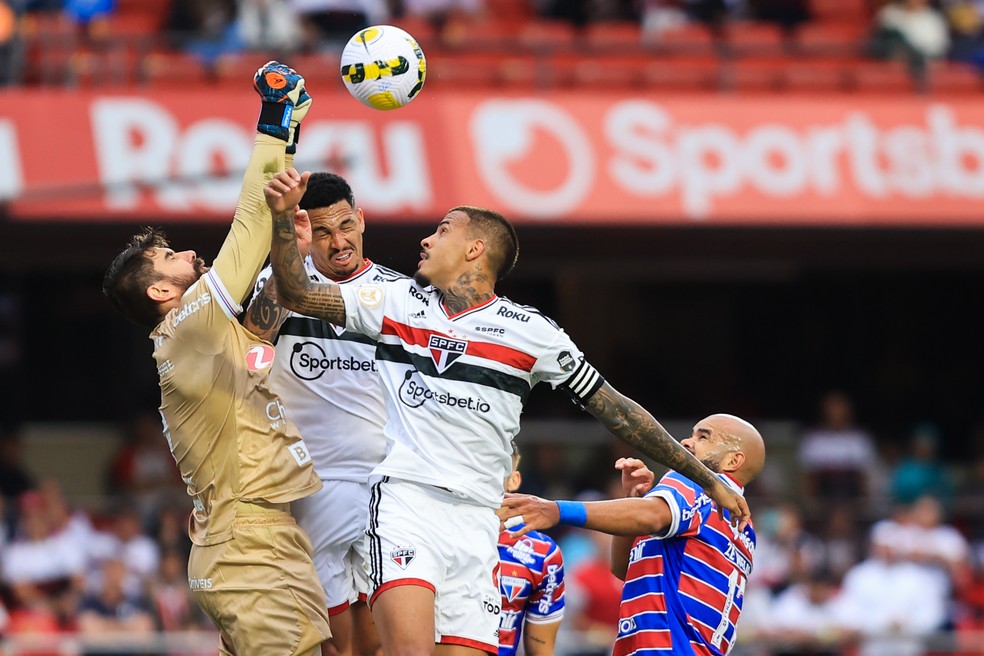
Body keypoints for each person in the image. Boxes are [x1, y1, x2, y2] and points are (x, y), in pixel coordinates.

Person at [263, 170, 751, 656]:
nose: (427, 240)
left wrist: (704, 478)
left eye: (443, 230)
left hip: (480, 519)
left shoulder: (531, 332)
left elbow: (617, 410)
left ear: (475, 249)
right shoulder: (392, 299)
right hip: (405, 505)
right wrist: (284, 222)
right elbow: (297, 294)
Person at [101, 62, 331, 655]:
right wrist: (276, 122)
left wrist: (291, 254)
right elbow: (253, 218)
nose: (190, 252)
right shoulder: (189, 320)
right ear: (159, 292)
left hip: (249, 540)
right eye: (171, 255)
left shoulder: (198, 340)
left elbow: (258, 348)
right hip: (247, 543)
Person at [243, 171, 403, 656]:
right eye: (323, 232)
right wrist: (288, 243)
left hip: (390, 480)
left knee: (385, 636)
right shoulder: (279, 283)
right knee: (330, 642)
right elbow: (252, 336)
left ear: (362, 220)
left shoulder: (399, 294)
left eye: (346, 227)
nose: (339, 243)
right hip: (315, 481)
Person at [498, 413, 765, 656]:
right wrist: (636, 501)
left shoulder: (699, 483)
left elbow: (651, 516)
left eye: (703, 437)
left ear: (733, 460)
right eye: (692, 433)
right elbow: (624, 569)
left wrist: (555, 510)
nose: (686, 442)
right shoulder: (744, 528)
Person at [497, 441, 565, 656]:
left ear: (514, 480)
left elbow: (541, 650)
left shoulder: (542, 553)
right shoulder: (430, 533)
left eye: (496, 464)